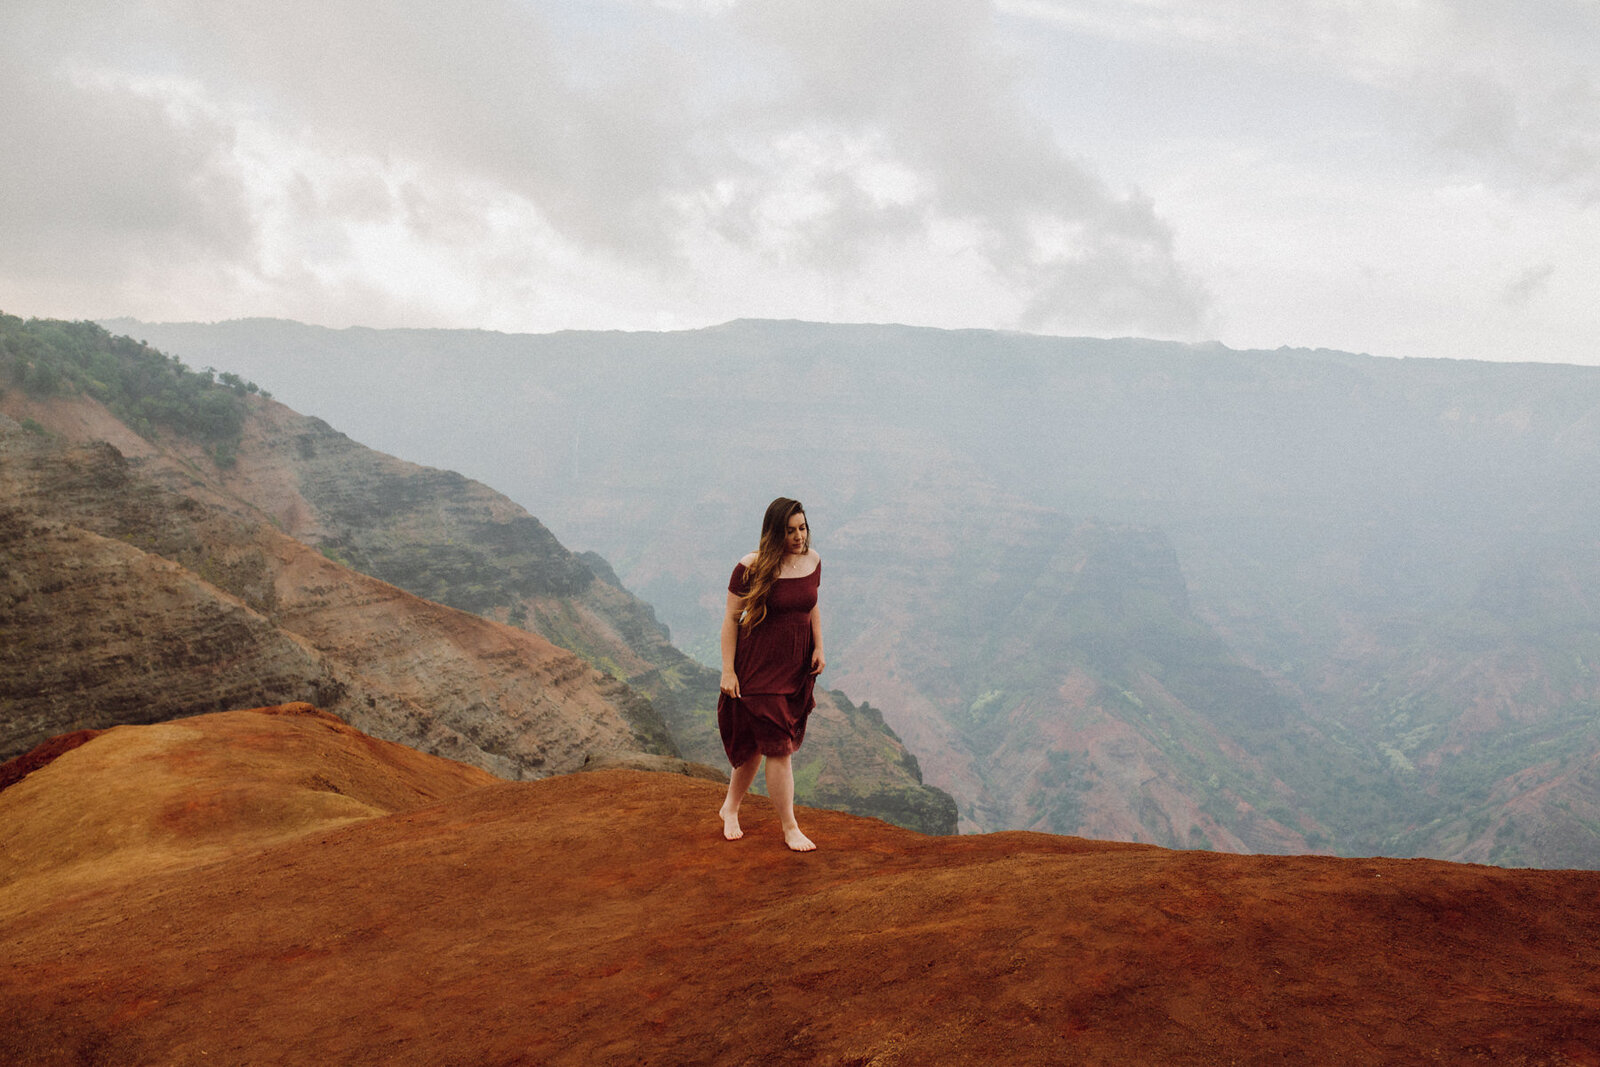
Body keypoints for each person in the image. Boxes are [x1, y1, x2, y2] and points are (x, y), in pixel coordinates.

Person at [716, 497, 825, 852]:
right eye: (790, 530)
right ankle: (790, 827)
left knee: (754, 748)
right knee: (779, 748)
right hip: (759, 669)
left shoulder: (813, 561)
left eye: (802, 528)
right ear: (774, 532)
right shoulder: (752, 566)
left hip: (794, 667)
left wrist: (819, 648)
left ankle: (729, 808)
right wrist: (728, 671)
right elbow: (732, 620)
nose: (798, 537)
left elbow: (812, 607)